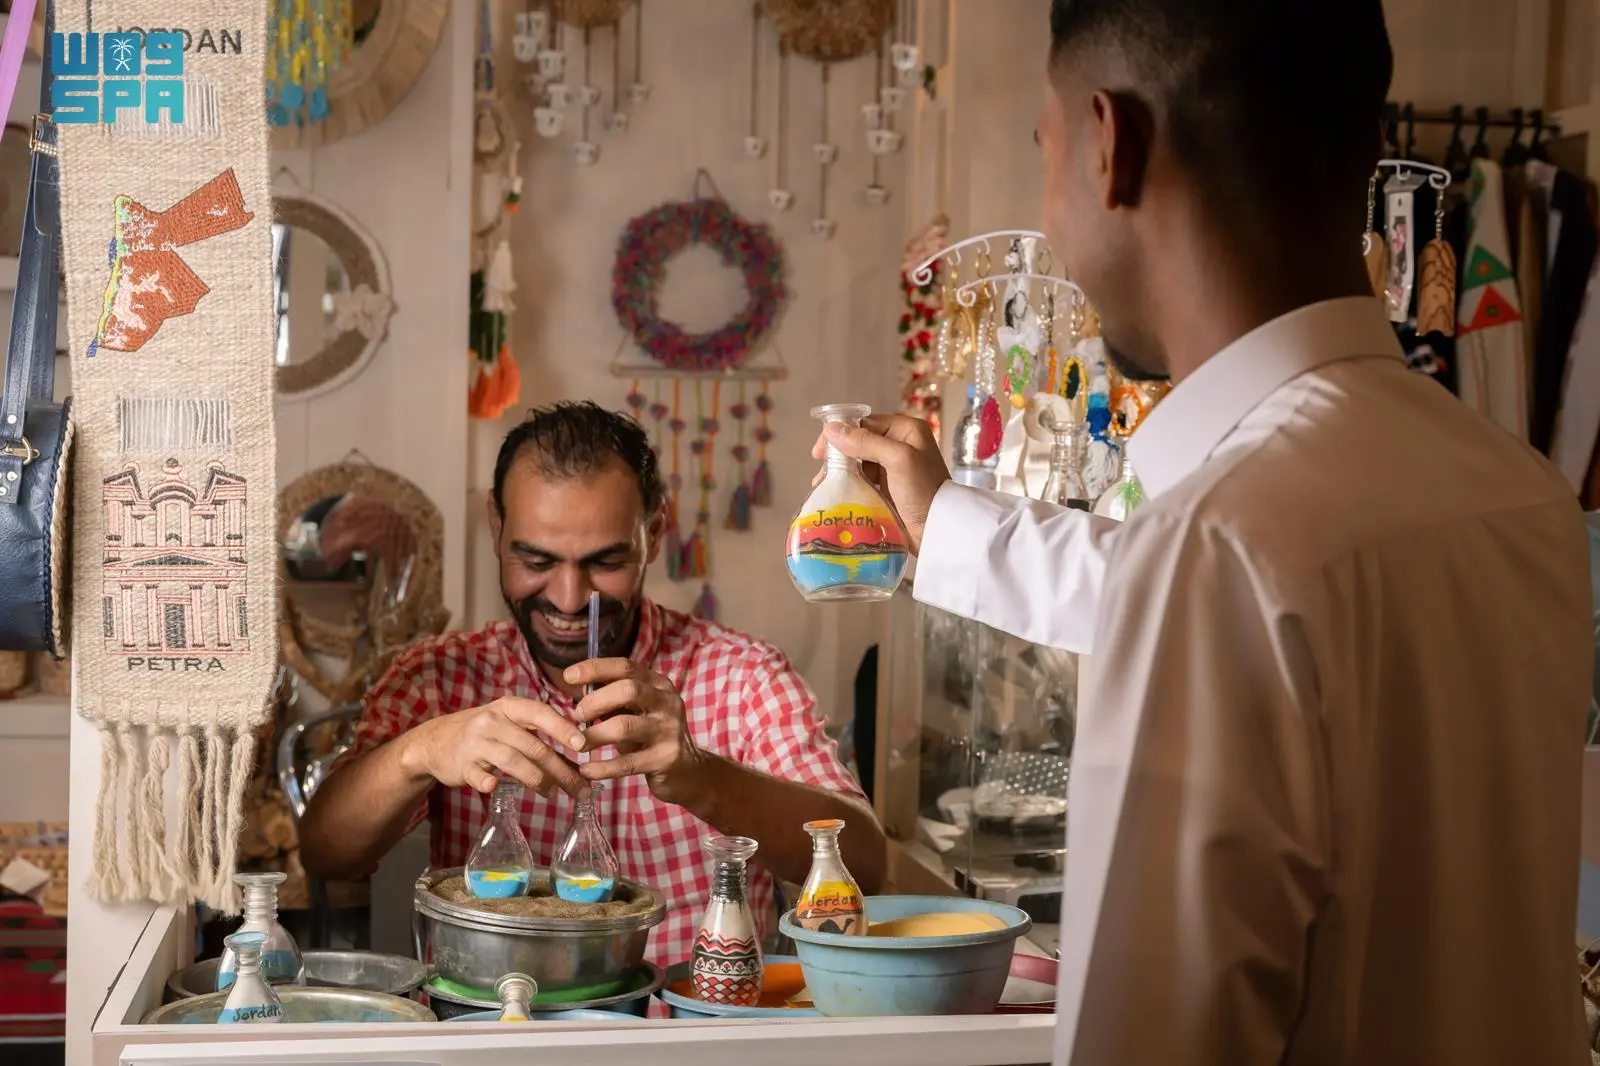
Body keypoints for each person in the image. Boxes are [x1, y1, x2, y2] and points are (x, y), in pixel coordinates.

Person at [819, 3, 1593, 1064]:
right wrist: (949, 516)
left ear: (1108, 143)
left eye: (1044, 154)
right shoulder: (1520, 496)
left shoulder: (1217, 546)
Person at [301, 401, 884, 963]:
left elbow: (866, 863)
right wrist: (418, 753)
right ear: (496, 526)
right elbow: (326, 855)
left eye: (605, 563)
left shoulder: (743, 678)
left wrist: (701, 778)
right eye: (536, 562)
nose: (568, 598)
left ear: (653, 535)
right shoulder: (438, 678)